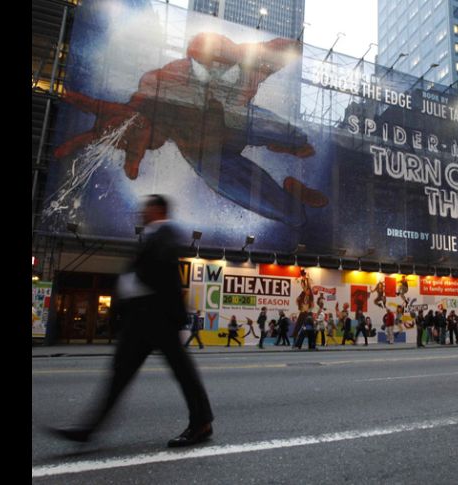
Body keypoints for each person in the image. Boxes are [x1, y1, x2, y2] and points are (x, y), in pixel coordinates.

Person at [54, 33, 327, 228]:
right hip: (206, 153)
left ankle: (288, 142)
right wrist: (132, 121)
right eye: (206, 65)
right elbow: (142, 107)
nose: (215, 71)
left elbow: (280, 49)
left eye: (223, 66)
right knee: (292, 216)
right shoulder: (166, 79)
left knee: (292, 135)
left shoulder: (251, 62)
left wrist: (296, 46)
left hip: (237, 123)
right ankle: (292, 196)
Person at [49, 195, 213, 447]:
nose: (142, 212)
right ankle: (88, 429)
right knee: (121, 374)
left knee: (183, 373)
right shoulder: (152, 235)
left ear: (158, 210)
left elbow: (167, 276)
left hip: (159, 318)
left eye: (146, 208)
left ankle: (201, 424)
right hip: (141, 320)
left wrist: (176, 318)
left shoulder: (166, 233)